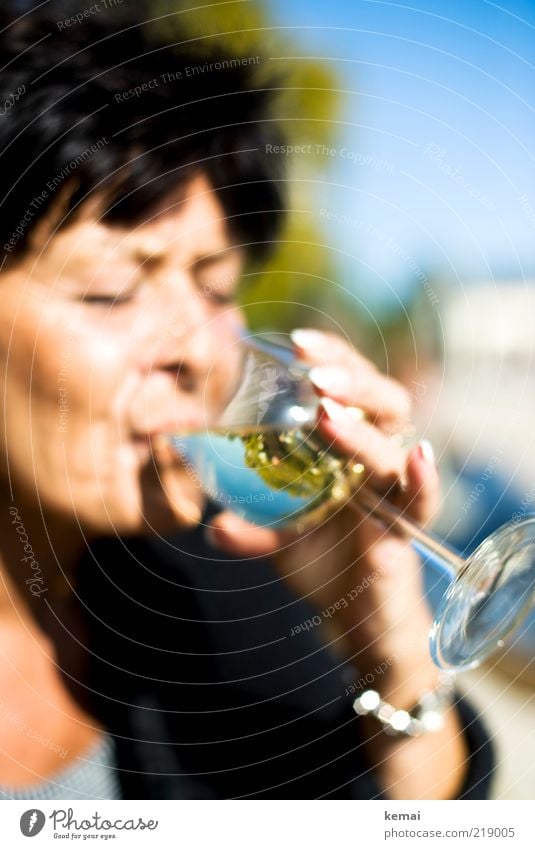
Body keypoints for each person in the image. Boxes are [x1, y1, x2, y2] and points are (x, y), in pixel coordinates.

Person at [0, 1, 493, 799]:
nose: (200, 350)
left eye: (217, 287)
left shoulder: (222, 593)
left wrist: (385, 653)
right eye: (112, 290)